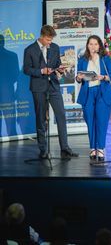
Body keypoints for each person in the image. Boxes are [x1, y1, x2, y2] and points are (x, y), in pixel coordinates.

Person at [23, 25, 78, 160]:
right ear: (41, 36)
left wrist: (59, 69)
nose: (50, 42)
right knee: (41, 118)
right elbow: (26, 69)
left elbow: (57, 64)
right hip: (38, 87)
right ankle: (43, 149)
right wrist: (41, 71)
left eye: (51, 39)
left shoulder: (55, 47)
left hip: (53, 86)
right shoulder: (30, 50)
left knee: (61, 115)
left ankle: (65, 148)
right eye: (48, 39)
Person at [76, 35, 111, 162]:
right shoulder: (82, 60)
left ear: (99, 46)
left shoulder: (105, 59)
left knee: (101, 121)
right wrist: (78, 78)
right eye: (91, 44)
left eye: (95, 44)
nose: (93, 47)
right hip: (88, 93)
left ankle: (101, 148)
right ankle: (93, 147)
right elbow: (78, 78)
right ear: (87, 45)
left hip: (102, 92)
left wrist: (102, 77)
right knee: (90, 120)